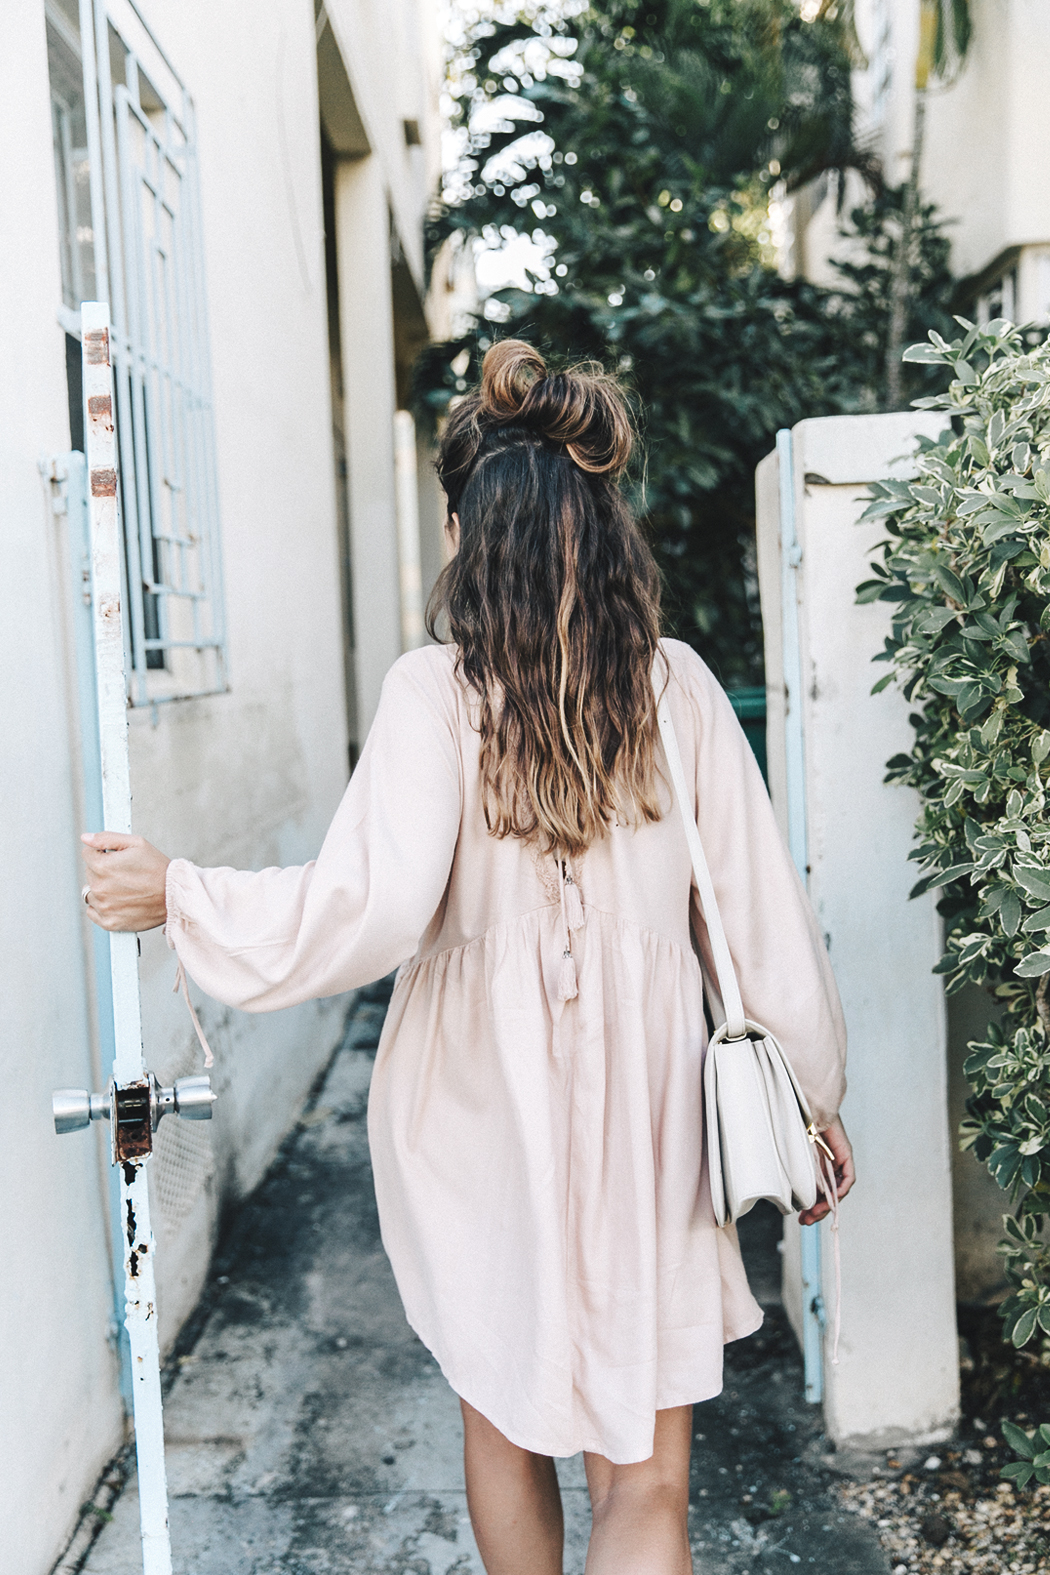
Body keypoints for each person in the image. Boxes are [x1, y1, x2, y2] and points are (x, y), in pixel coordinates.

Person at [81, 340, 854, 1575]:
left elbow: (369, 909)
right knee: (648, 1482)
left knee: (503, 1423)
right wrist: (812, 1098)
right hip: (653, 1112)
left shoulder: (432, 694)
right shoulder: (680, 691)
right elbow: (757, 922)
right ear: (603, 529)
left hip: (477, 1102)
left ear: (461, 530)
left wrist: (182, 892)